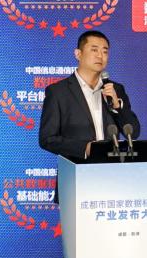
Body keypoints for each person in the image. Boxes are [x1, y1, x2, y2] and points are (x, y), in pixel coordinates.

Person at [39, 30, 141, 161]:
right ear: (78, 54)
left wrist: (117, 106)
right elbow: (47, 139)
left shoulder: (116, 89)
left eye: (105, 51)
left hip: (112, 169)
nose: (100, 56)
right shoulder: (58, 91)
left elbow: (134, 133)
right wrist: (84, 148)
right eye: (94, 50)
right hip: (77, 169)